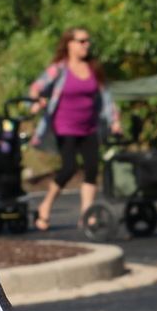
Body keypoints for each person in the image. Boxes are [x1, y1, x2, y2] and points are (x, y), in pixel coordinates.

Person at [25, 26, 121, 232]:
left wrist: (114, 120)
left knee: (92, 168)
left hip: (89, 126)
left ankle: (87, 215)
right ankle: (46, 205)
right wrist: (35, 102)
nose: (86, 45)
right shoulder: (59, 69)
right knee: (68, 168)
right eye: (81, 41)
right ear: (69, 44)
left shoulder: (94, 68)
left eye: (88, 41)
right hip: (64, 126)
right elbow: (36, 87)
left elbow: (106, 97)